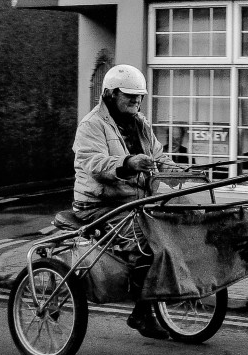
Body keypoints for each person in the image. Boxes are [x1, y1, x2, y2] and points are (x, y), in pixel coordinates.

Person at [71, 64, 173, 339]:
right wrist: (128, 162)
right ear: (109, 94)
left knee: (171, 234)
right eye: (129, 96)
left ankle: (151, 300)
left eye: (139, 96)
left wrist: (176, 172)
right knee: (148, 244)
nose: (136, 101)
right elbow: (93, 163)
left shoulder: (140, 123)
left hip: (133, 203)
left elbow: (159, 156)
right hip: (98, 206)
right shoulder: (91, 125)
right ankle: (142, 313)